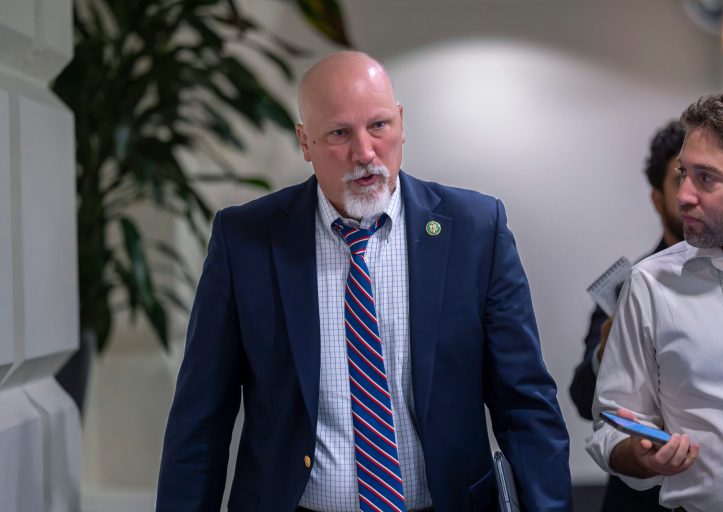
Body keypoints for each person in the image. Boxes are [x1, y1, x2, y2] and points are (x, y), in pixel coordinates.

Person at [156, 51, 571, 512]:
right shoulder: (246, 242)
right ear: (304, 142)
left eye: (378, 126)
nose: (364, 152)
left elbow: (525, 405)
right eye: (338, 133)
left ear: (401, 122)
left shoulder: (475, 229)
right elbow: (201, 420)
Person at [587, 92, 723, 512]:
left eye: (706, 178)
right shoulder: (652, 283)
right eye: (684, 173)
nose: (684, 194)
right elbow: (610, 425)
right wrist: (638, 455)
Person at [569, 121, 684, 512]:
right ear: (657, 198)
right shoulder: (628, 286)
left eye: (706, 178)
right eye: (680, 178)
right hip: (643, 496)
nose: (692, 193)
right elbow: (584, 399)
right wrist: (607, 348)